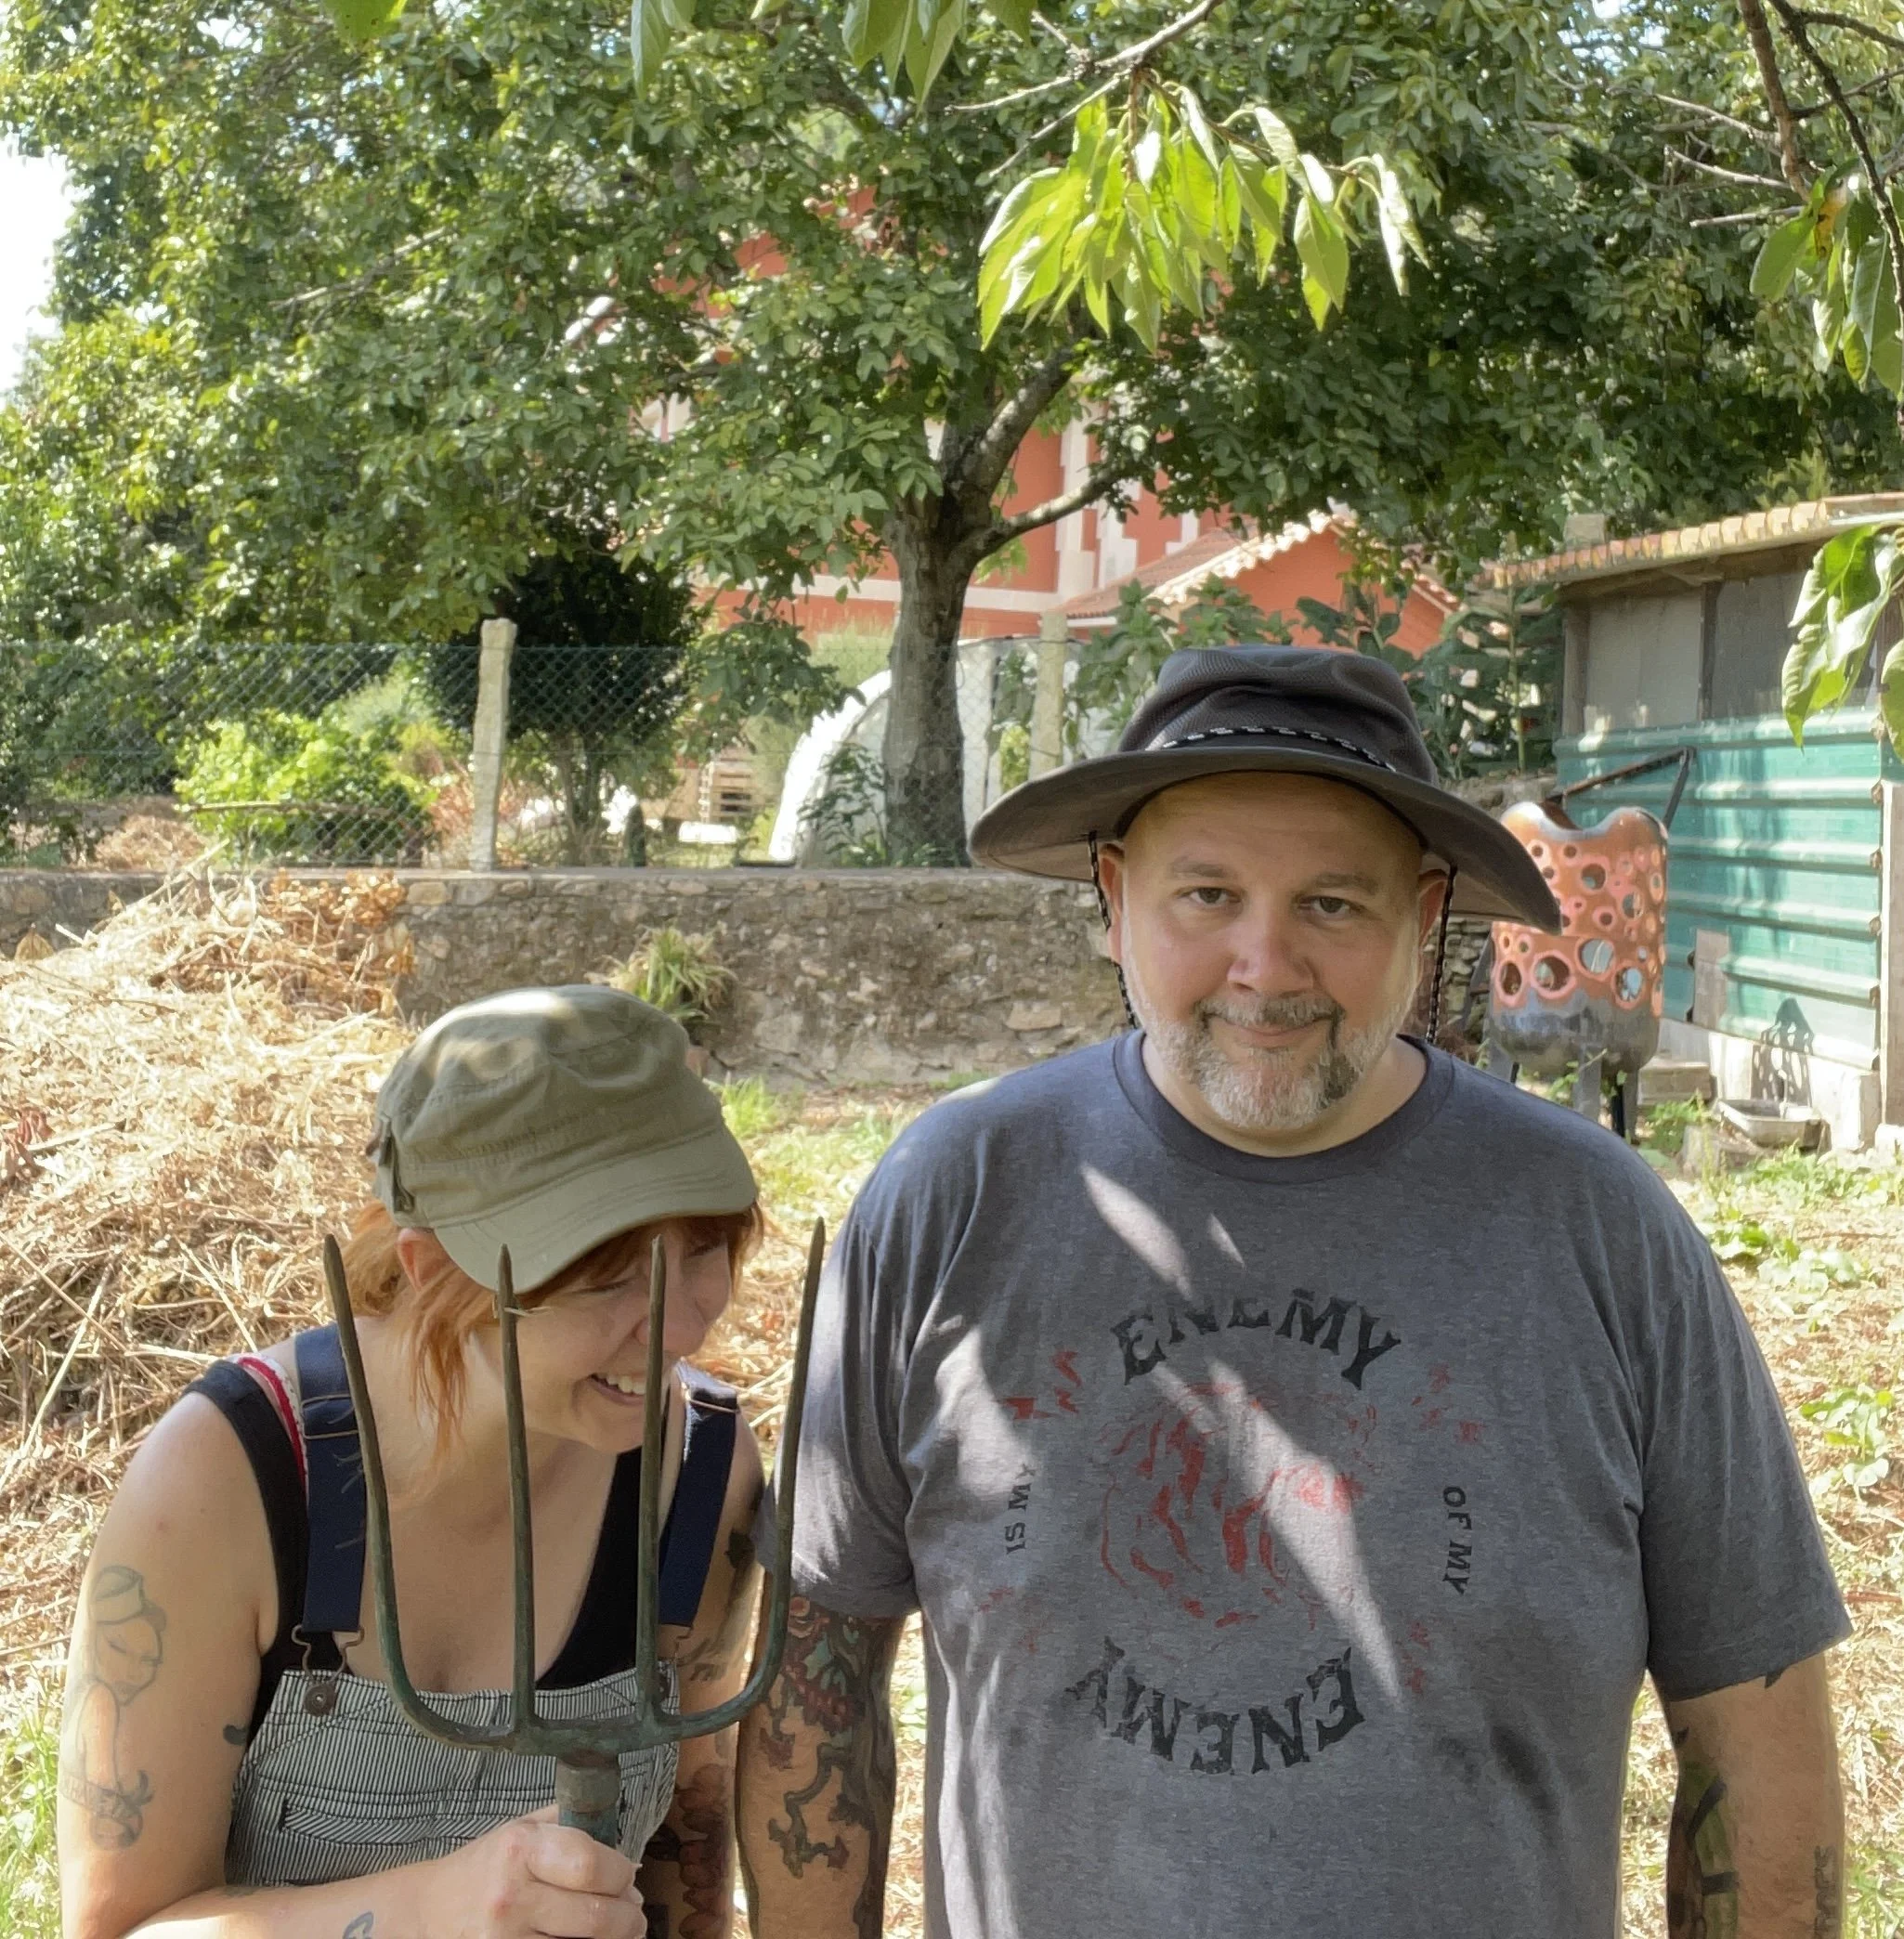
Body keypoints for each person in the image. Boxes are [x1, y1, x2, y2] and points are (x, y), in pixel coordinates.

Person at [737, 646, 1850, 1939]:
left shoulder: (1601, 1237)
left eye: (1331, 905)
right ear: (1111, 896)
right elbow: (813, 1681)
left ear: (1425, 912)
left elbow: (1754, 1734)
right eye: (1205, 895)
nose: (1263, 967)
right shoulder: (952, 1200)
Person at [59, 985, 767, 1939]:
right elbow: (119, 1929)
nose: (680, 1330)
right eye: (606, 1280)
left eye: (704, 1250)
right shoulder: (233, 1482)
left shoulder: (697, 1480)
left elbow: (689, 1855)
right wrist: (427, 1908)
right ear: (435, 1268)